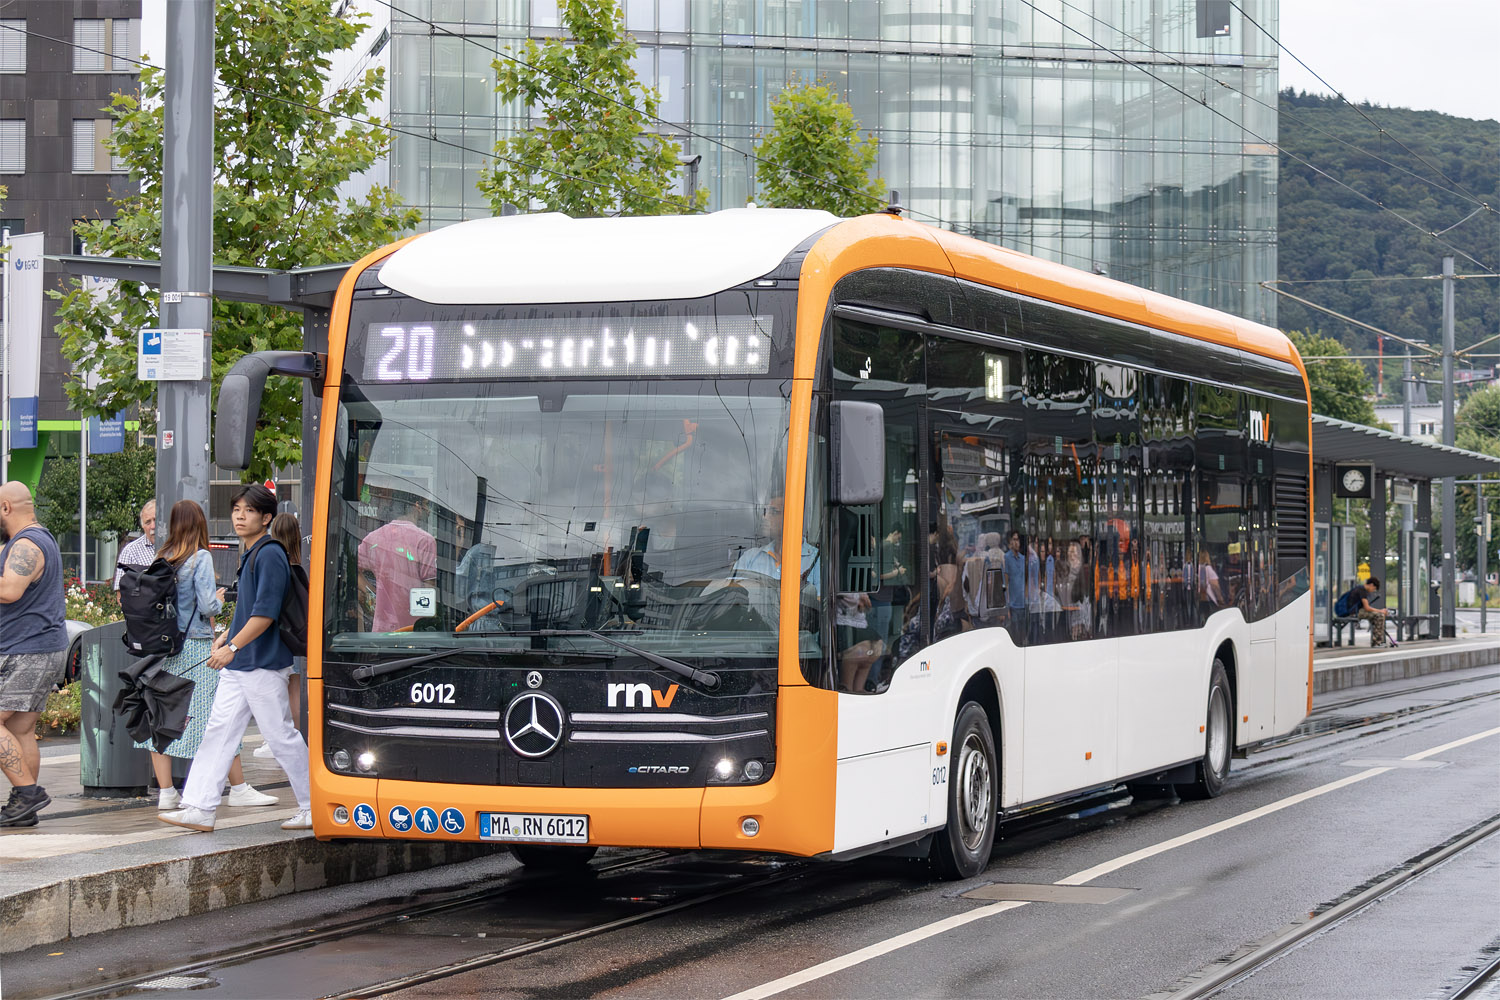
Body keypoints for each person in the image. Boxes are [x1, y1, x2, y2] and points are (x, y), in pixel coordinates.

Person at [160, 484, 312, 833]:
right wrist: (228, 637)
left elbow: (266, 612)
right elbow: (249, 611)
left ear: (266, 517)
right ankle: (199, 806)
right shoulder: (252, 552)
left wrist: (233, 647)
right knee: (218, 732)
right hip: (243, 662)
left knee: (280, 736)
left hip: (261, 662)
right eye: (236, 510)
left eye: (249, 511)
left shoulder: (269, 553)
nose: (240, 516)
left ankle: (312, 804)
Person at [139, 500, 276, 810]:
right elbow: (205, 608)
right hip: (196, 648)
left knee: (162, 718)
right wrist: (218, 599)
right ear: (200, 524)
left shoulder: (163, 557)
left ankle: (166, 793)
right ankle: (239, 788)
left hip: (163, 649)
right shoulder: (199, 558)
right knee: (216, 718)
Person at [0, 482, 67, 827]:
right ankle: (23, 809)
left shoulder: (26, 543)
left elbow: (10, 590)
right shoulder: (41, 537)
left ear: (6, 508)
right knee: (21, 728)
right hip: (41, 647)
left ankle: (27, 792)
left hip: (25, 650)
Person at [730, 493, 821, 622]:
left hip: (799, 639)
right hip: (751, 636)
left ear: (790, 516)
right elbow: (730, 598)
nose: (765, 517)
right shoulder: (750, 558)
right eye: (765, 511)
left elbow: (820, 610)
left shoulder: (816, 560)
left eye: (774, 512)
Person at [257, 513, 306, 753]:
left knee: (277, 691)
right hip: (297, 634)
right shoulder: (299, 565)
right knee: (294, 687)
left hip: (281, 637)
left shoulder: (277, 564)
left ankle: (277, 739)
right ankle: (296, 737)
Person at [356, 492, 437, 632]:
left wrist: (373, 596)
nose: (428, 511)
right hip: (413, 630)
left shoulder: (373, 539)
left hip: (381, 629)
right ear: (417, 506)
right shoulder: (425, 541)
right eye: (426, 505)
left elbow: (353, 569)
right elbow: (428, 589)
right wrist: (430, 623)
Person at [1339, 576, 1394, 648]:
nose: (1373, 591)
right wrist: (1381, 611)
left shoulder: (1360, 588)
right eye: (1374, 589)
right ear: (1371, 585)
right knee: (1380, 615)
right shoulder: (1362, 591)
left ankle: (1377, 641)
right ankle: (1377, 642)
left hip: (1352, 611)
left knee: (1376, 615)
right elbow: (1367, 608)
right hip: (1354, 613)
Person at [113, 499, 157, 589]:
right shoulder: (130, 551)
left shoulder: (178, 547)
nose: (153, 526)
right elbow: (121, 593)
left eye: (156, 520)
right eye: (148, 522)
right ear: (142, 526)